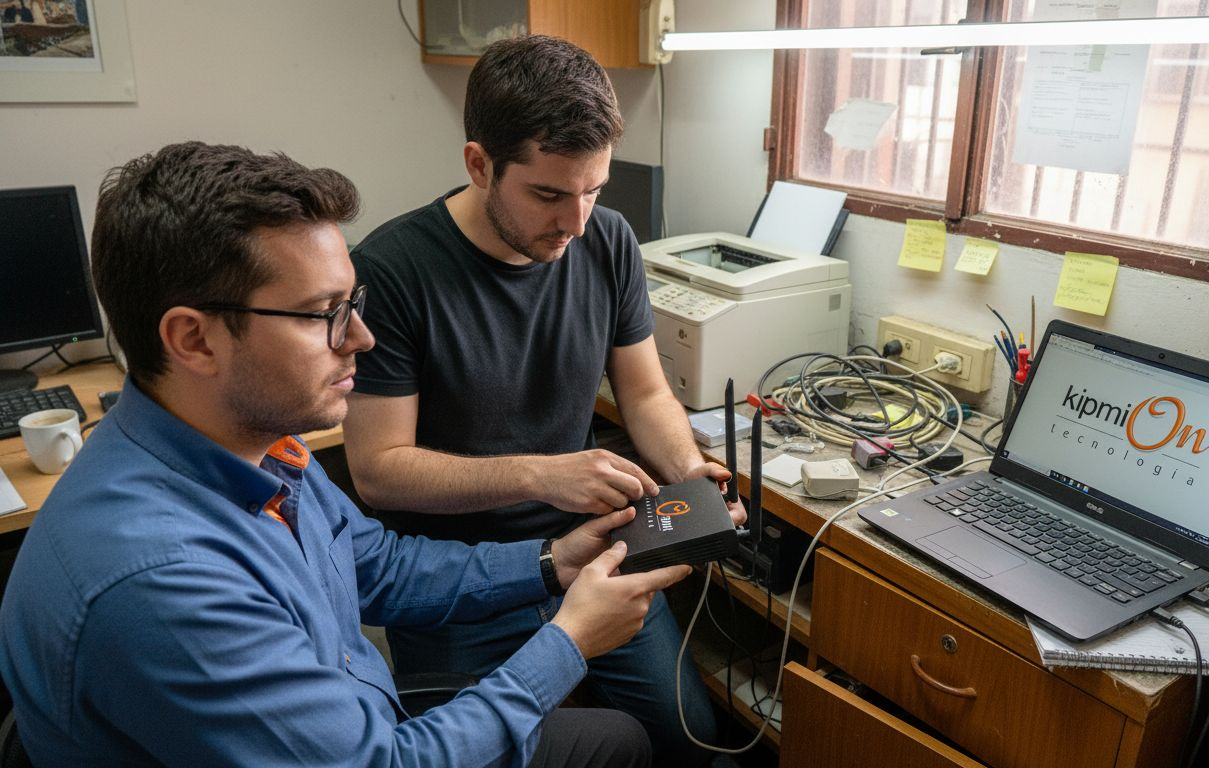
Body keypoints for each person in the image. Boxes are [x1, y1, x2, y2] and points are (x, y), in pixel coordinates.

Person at [0, 141, 692, 767]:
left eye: (351, 302)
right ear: (193, 340)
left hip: (356, 717)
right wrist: (568, 644)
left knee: (622, 740)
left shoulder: (260, 448)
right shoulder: (162, 583)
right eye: (322, 312)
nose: (360, 336)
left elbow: (377, 566)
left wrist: (552, 562)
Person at [342, 35, 743, 766]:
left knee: (690, 736)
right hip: (454, 581)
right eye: (550, 194)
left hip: (594, 552)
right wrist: (543, 473)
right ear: (479, 164)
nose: (576, 222)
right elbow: (378, 469)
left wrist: (689, 472)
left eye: (594, 189)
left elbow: (647, 389)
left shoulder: (609, 241)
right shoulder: (392, 270)